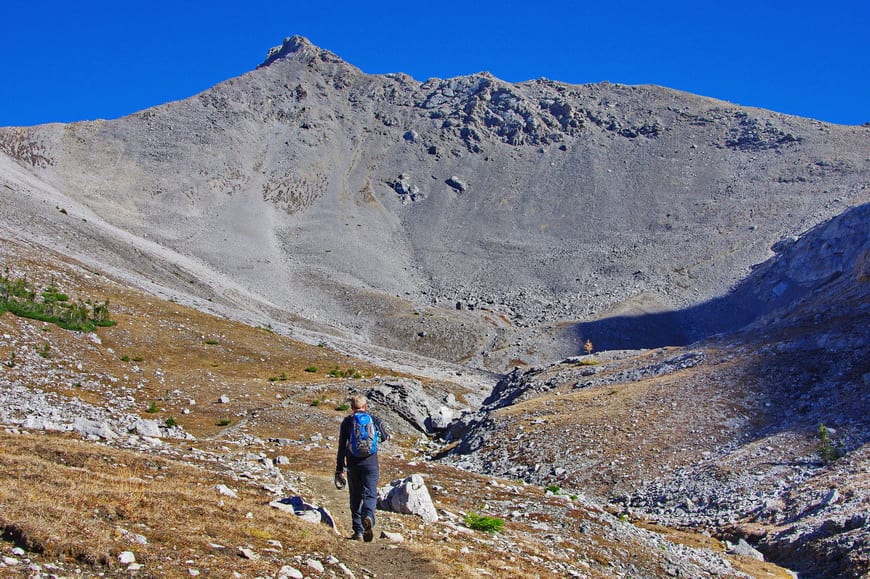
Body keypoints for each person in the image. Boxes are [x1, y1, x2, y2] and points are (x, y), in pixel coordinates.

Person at [335, 394, 390, 541]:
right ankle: (369, 517)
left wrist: (339, 468)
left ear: (352, 408)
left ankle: (358, 531)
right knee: (370, 494)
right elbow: (385, 436)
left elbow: (341, 447)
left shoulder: (347, 421)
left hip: (353, 464)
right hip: (371, 463)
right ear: (365, 407)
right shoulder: (374, 419)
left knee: (355, 496)